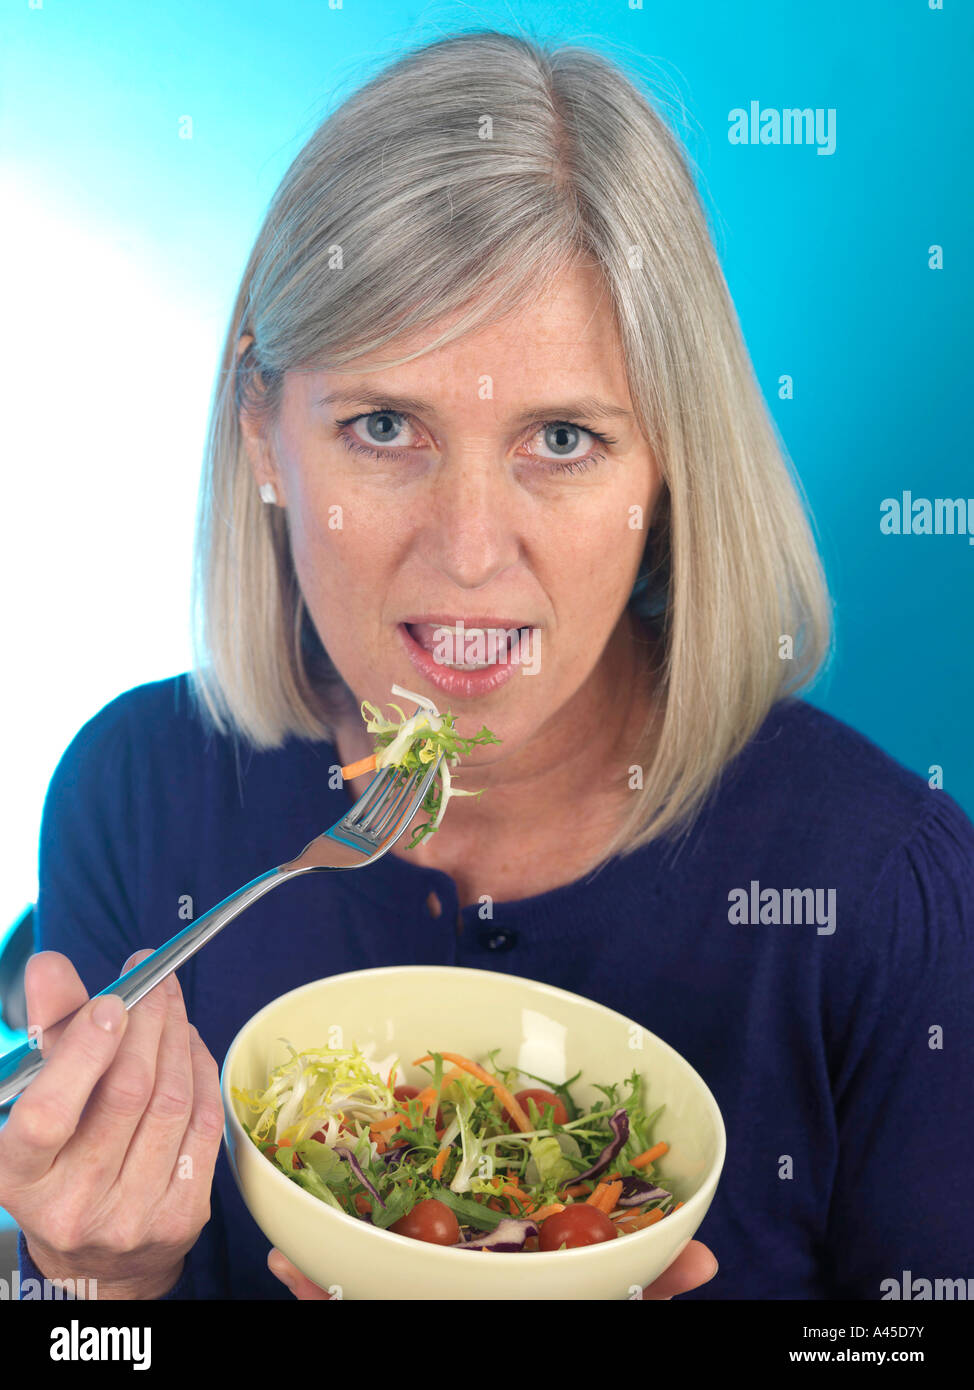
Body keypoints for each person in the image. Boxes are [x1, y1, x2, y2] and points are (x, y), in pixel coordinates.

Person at [3, 29, 972, 1302]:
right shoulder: (139, 794)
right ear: (262, 435)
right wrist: (83, 1291)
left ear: (671, 461)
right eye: (384, 426)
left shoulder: (883, 891)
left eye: (561, 437)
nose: (467, 555)